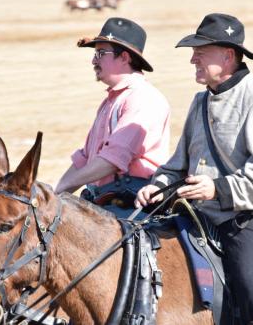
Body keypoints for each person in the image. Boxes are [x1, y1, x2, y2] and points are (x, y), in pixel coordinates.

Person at [135, 13, 253, 325]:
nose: (193, 59)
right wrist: (158, 184)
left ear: (228, 55)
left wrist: (216, 189)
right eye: (193, 52)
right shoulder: (201, 101)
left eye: (200, 52)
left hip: (248, 215)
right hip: (197, 212)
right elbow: (178, 164)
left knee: (252, 284)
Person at [54, 17, 170, 215]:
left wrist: (63, 190)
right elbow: (85, 158)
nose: (93, 60)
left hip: (132, 204)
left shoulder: (143, 97)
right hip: (105, 201)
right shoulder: (112, 100)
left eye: (100, 53)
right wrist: (54, 194)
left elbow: (113, 160)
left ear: (124, 58)